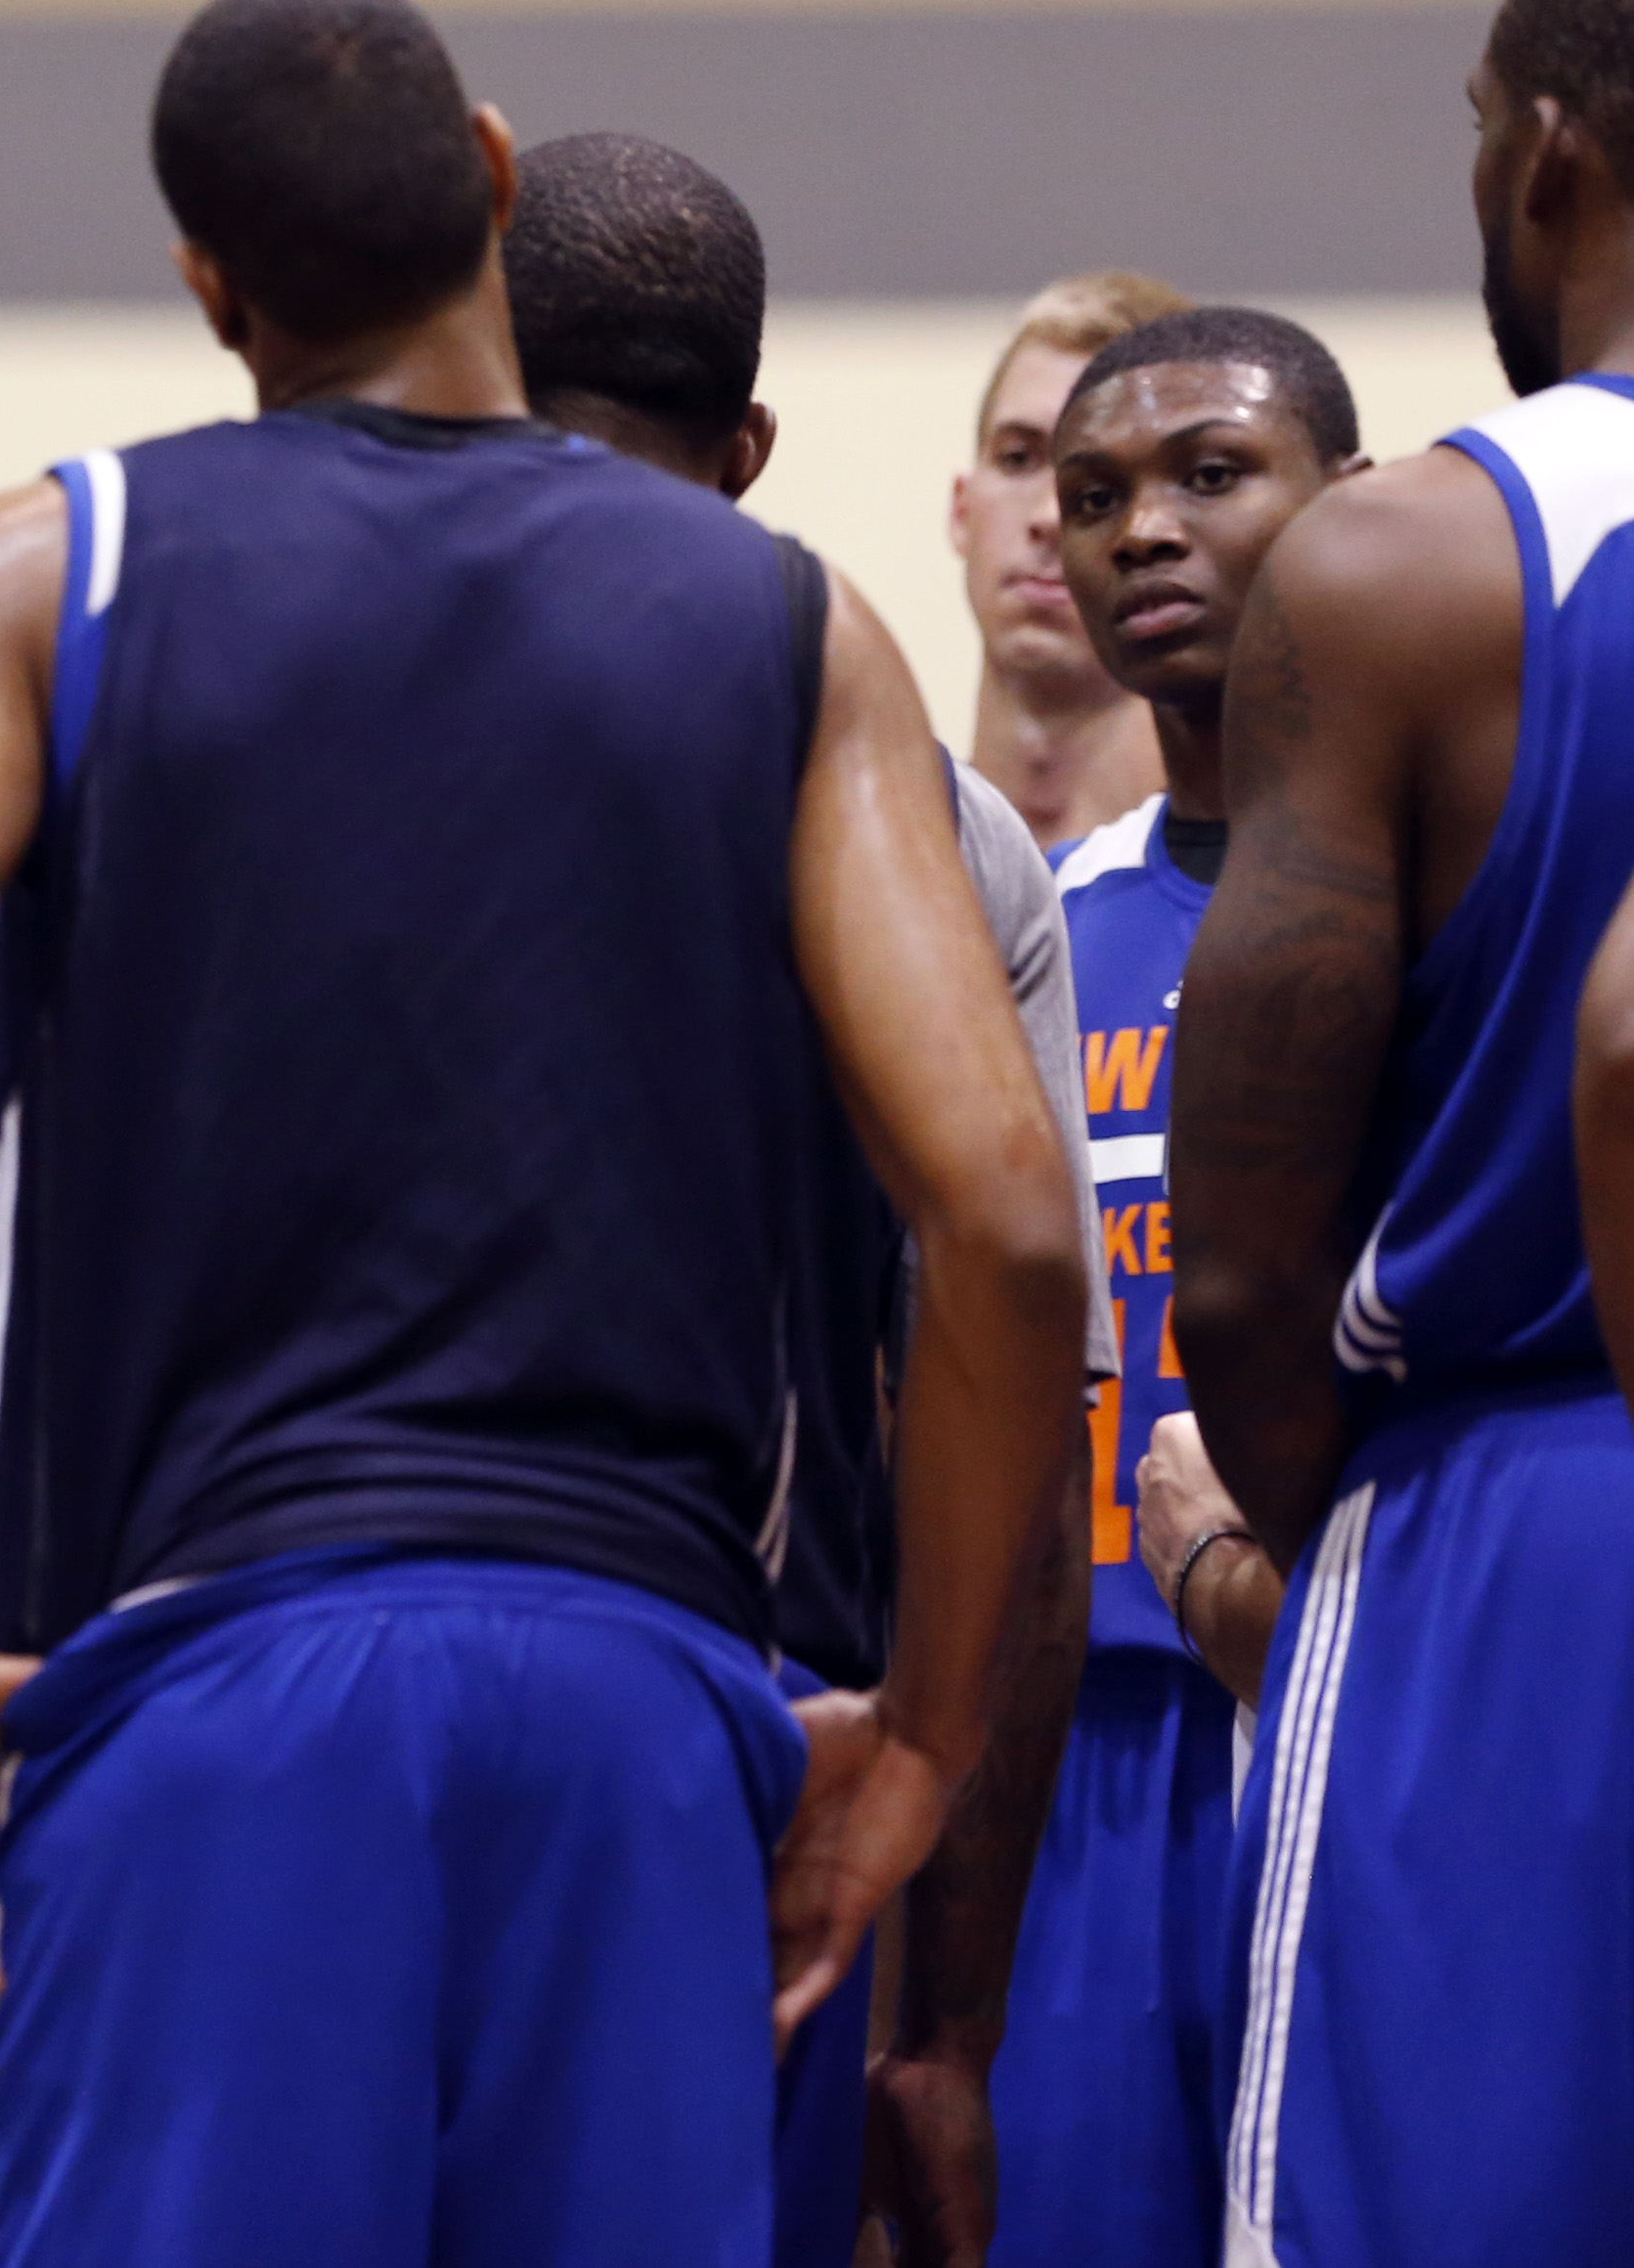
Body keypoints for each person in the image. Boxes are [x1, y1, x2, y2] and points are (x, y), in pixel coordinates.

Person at [0, 0, 1092, 2266]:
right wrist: (925, 1732)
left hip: (207, 1695)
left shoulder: (48, 574)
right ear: (489, 179)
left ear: (207, 285)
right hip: (649, 1710)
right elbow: (1012, 1234)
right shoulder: (791, 631)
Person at [505, 129, 1115, 2268]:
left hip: (280, 1704)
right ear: (749, 450)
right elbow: (1020, 1399)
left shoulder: (227, 702)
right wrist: (943, 2030)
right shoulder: (926, 829)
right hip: (740, 1742)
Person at [1174, 0, 1634, 2262]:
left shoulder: (1406, 562)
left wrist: (1315, 1514)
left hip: (1510, 1518)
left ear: (1544, 154)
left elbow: (1240, 1276)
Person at [984, 307, 1361, 2268]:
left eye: (1208, 477)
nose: (1139, 531)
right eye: (1091, 495)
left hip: (1362, 1703)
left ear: (1344, 505)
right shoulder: (1042, 923)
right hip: (1084, 1756)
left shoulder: (1460, 911)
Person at [954, 273, 1188, 846]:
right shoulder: (864, 858)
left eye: (1104, 480)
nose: (1050, 516)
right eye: (1018, 458)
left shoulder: (1260, 879)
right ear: (961, 510)